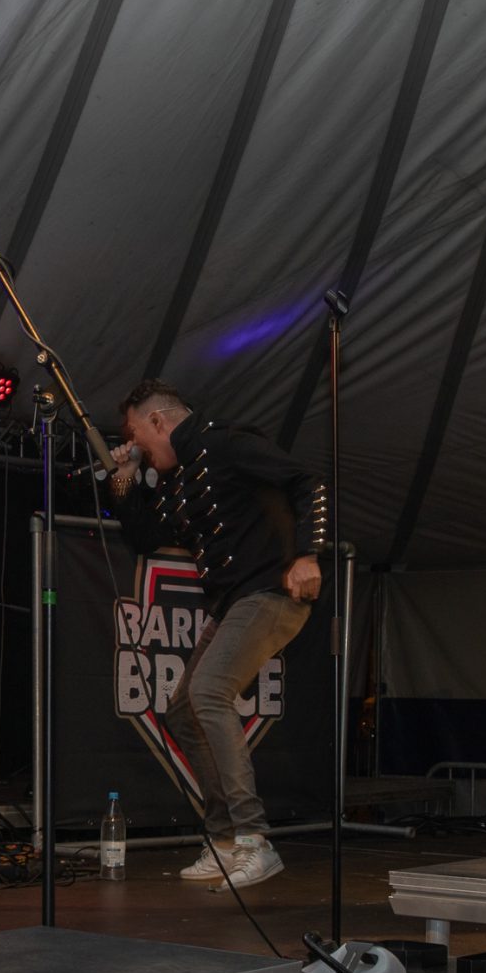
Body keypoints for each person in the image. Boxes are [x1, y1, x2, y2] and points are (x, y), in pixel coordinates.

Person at [107, 379, 329, 890]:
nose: (136, 443)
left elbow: (308, 480)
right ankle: (225, 841)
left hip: (270, 589)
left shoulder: (224, 441)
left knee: (208, 692)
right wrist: (124, 478)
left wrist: (308, 555)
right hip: (231, 604)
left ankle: (254, 839)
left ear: (159, 420)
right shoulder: (178, 478)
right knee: (182, 711)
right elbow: (145, 538)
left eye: (137, 434)